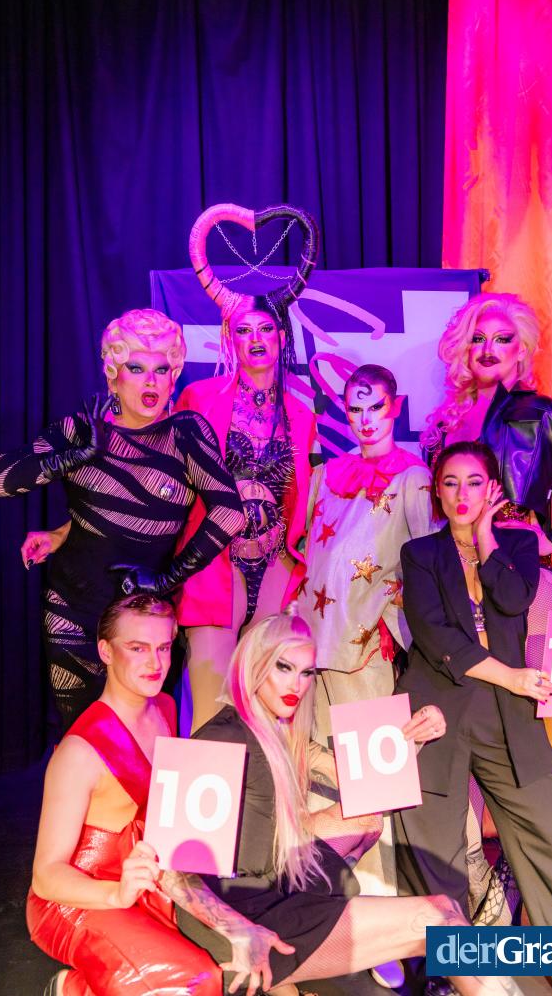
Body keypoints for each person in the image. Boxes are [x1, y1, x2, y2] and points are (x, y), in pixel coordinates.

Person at [395, 441, 552, 996]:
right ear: (437, 492)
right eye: (450, 483)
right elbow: (435, 636)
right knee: (436, 857)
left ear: (493, 490)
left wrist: (486, 535)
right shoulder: (420, 553)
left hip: (507, 716)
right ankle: (454, 978)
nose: (461, 494)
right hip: (437, 713)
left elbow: (511, 597)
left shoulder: (519, 545)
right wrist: (510, 676)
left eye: (474, 482)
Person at [178, 611, 525, 996]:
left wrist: (415, 738)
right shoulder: (219, 740)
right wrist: (242, 931)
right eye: (283, 667)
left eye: (306, 673)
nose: (297, 684)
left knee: (374, 827)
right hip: (246, 919)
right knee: (436, 917)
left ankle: (352, 925)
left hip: (277, 887)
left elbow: (362, 779)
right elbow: (175, 874)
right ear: (253, 664)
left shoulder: (276, 731)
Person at [421, 292, 552, 805]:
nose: (488, 348)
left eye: (503, 339)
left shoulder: (540, 414)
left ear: (522, 350)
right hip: (456, 571)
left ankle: (538, 836)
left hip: (521, 575)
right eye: (478, 338)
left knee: (530, 714)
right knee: (465, 707)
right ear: (463, 349)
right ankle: (475, 843)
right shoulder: (447, 422)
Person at [27, 593, 295, 996]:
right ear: (106, 651)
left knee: (250, 938)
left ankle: (78, 988)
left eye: (164, 647)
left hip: (152, 883)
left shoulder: (165, 708)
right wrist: (115, 893)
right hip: (78, 900)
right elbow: (46, 878)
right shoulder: (79, 752)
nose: (155, 663)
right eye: (137, 648)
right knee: (195, 980)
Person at [0, 307, 244, 729]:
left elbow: (230, 513)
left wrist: (166, 580)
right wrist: (76, 455)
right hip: (73, 609)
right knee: (84, 734)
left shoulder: (185, 432)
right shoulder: (83, 429)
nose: (151, 382)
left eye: (161, 370)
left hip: (147, 619)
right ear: (113, 375)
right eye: (136, 368)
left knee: (144, 737)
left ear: (174, 376)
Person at [175, 202, 318, 733]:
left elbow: (306, 496)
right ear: (229, 339)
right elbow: (168, 483)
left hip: (277, 564)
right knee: (211, 705)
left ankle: (269, 788)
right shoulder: (200, 397)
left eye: (266, 329)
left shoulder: (301, 414)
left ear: (281, 338)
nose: (255, 339)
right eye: (243, 330)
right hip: (217, 563)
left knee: (271, 708)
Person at [298, 364, 437, 900]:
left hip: (366, 648)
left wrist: (401, 623)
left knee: (372, 779)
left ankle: (381, 898)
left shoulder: (413, 477)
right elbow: (311, 557)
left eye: (375, 406)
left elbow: (427, 561)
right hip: (312, 647)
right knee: (319, 771)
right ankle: (327, 897)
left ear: (394, 407)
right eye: (355, 408)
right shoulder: (327, 474)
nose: (365, 418)